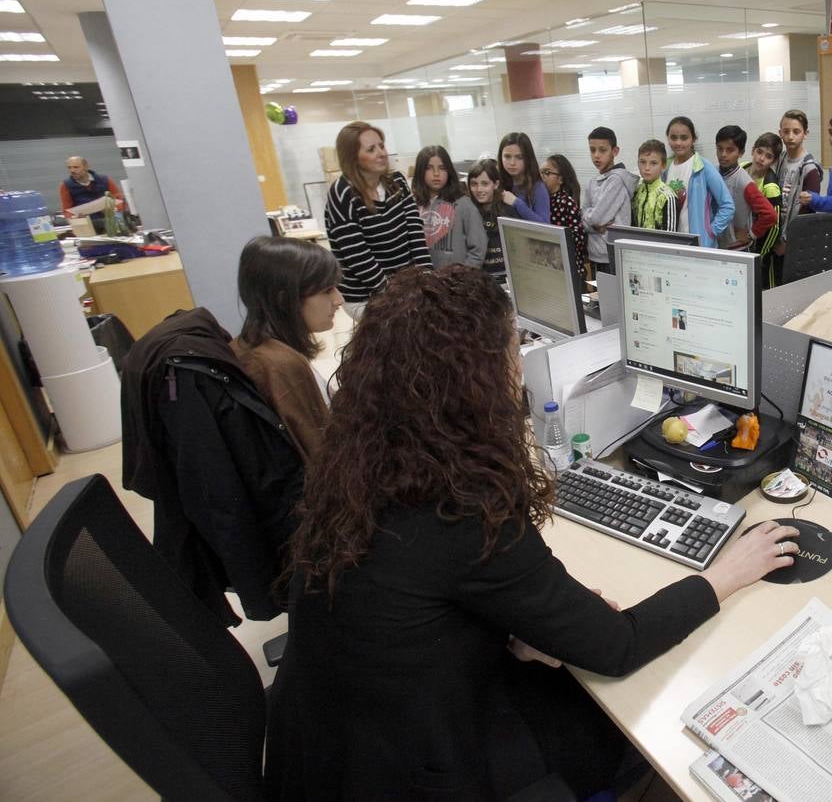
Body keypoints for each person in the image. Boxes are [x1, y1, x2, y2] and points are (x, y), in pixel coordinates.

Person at [263, 266, 800, 800]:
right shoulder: (460, 508)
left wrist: (519, 623)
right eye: (511, 350)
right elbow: (616, 646)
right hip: (407, 772)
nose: (519, 366)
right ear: (476, 379)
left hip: (323, 743)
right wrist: (725, 574)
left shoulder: (360, 463)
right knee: (624, 730)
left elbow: (413, 598)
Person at [231, 236, 341, 462]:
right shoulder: (281, 366)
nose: (339, 299)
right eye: (327, 290)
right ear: (285, 299)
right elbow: (325, 456)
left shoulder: (248, 345)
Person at [324, 121, 432, 320]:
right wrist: (393, 296)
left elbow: (416, 235)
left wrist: (427, 281)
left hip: (404, 288)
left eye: (382, 146)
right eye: (371, 149)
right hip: (366, 295)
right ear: (353, 158)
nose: (382, 153)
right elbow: (358, 257)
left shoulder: (397, 182)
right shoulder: (342, 195)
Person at [411, 145, 486, 270]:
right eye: (429, 168)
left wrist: (463, 278)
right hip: (425, 283)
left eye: (442, 168)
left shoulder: (464, 205)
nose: (436, 174)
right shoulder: (413, 206)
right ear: (420, 171)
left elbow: (478, 249)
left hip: (459, 283)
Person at [664, 116, 734, 248]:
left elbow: (728, 206)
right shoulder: (665, 169)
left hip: (699, 245)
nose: (678, 143)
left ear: (693, 139)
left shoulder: (704, 167)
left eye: (684, 138)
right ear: (668, 138)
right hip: (673, 243)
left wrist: (710, 232)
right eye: (673, 137)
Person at [580, 127, 638, 275]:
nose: (596, 156)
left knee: (612, 297)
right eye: (592, 150)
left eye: (602, 150)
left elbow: (596, 218)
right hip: (595, 253)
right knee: (598, 297)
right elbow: (583, 219)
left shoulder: (617, 180)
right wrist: (593, 224)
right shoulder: (592, 182)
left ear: (615, 151)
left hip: (611, 254)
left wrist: (591, 219)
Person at [713, 125, 776, 251]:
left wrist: (750, 235)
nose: (723, 154)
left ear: (741, 153)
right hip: (717, 244)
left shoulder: (744, 182)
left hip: (737, 248)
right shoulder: (714, 172)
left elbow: (770, 215)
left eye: (730, 150)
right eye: (720, 149)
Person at [468, 158, 517, 281]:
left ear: (495, 184)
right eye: (474, 184)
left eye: (485, 184)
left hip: (506, 276)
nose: (479, 189)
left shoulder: (508, 210)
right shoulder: (467, 211)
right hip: (479, 278)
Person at [746, 132, 786, 283]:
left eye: (768, 156)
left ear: (774, 161)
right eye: (759, 152)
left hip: (760, 245)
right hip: (743, 240)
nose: (761, 158)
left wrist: (762, 252)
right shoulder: (743, 169)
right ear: (753, 150)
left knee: (764, 285)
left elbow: (775, 225)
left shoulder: (770, 186)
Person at [542, 154, 588, 277]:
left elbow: (578, 238)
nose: (542, 177)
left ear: (561, 179)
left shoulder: (566, 202)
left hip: (569, 270)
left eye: (547, 173)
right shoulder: (544, 200)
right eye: (541, 172)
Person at [58, 155, 127, 233]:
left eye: (76, 167)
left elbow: (119, 200)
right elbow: (67, 211)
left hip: (110, 222)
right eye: (69, 167)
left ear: (86, 167)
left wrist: (112, 209)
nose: (72, 170)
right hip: (86, 225)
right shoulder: (65, 185)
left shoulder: (104, 180)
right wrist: (74, 218)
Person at [498, 132, 551, 223]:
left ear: (528, 158)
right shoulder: (497, 183)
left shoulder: (537, 187)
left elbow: (545, 226)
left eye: (519, 157)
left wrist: (517, 203)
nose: (512, 163)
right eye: (507, 156)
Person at [631, 139, 677, 231]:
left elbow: (670, 236)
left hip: (659, 245)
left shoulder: (667, 196)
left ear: (663, 166)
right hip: (636, 244)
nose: (647, 168)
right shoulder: (635, 192)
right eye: (643, 162)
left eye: (653, 163)